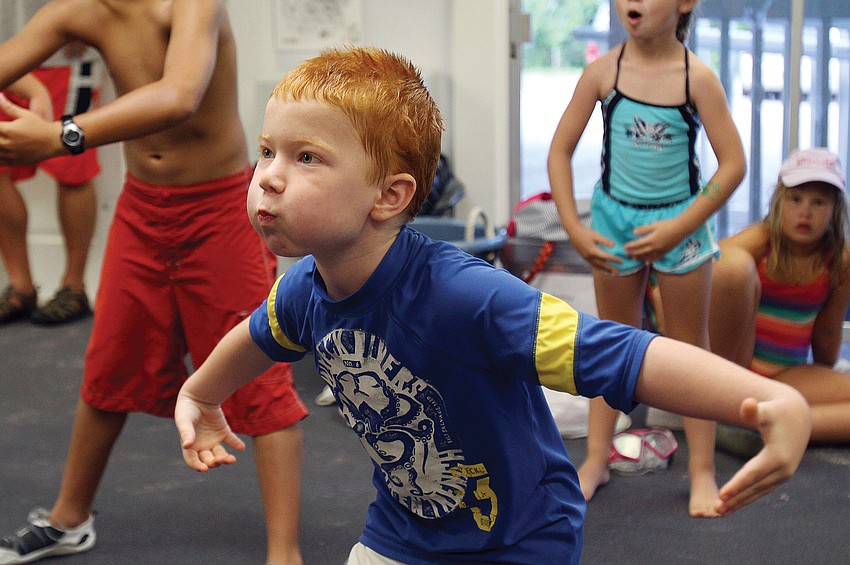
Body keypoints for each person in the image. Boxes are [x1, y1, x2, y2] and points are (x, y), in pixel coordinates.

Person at [173, 46, 809, 565]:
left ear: (389, 196)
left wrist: (769, 400)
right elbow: (257, 337)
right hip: (403, 530)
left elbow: (621, 354)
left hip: (518, 541)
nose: (269, 177)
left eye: (306, 157)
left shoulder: (466, 296)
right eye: (267, 151)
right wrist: (202, 395)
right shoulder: (304, 291)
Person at [0, 2, 307, 564]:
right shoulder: (77, 10)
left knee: (260, 370)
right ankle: (70, 519)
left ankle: (283, 554)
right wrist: (33, 91)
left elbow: (177, 95)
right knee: (109, 365)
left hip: (218, 209)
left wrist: (59, 135)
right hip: (142, 212)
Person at [547, 0, 747, 515]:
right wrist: (574, 224)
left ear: (685, 4)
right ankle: (596, 457)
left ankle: (703, 470)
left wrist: (679, 227)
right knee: (610, 341)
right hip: (615, 222)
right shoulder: (604, 72)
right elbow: (560, 150)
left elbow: (733, 164)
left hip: (678, 225)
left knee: (690, 349)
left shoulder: (696, 79)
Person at [708, 148, 850, 444]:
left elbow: (826, 332)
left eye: (818, 202)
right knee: (730, 264)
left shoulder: (839, 259)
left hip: (786, 372)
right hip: (736, 368)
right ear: (778, 202)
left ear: (835, 210)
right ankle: (721, 409)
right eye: (795, 199)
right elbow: (703, 276)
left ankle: (770, 427)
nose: (805, 212)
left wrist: (823, 380)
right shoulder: (760, 240)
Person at [0, 27, 102, 325]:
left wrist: (85, 17)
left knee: (73, 164)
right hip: (5, 54)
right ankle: (21, 287)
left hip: (64, 57)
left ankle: (74, 287)